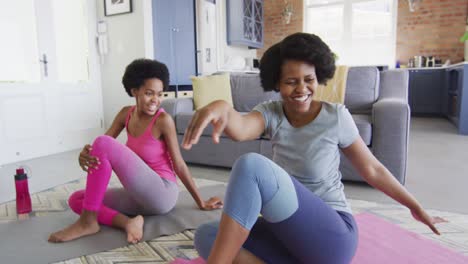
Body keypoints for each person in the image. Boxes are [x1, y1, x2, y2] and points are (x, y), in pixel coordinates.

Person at [180, 33, 443, 263]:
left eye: (309, 79)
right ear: (277, 84)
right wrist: (223, 107)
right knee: (208, 235)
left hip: (331, 236)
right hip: (287, 232)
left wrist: (414, 205)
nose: (302, 89)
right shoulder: (271, 113)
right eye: (291, 82)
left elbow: (372, 169)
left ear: (319, 77)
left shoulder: (335, 116)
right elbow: (240, 128)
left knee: (251, 166)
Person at [48, 59, 223, 244]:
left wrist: (200, 201)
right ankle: (128, 223)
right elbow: (100, 151)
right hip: (137, 195)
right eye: (149, 93)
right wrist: (85, 156)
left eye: (159, 94)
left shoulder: (163, 120)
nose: (155, 100)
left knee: (102, 144)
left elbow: (179, 164)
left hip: (161, 194)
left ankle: (88, 222)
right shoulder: (125, 114)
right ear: (134, 91)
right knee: (78, 199)